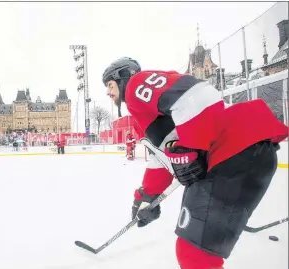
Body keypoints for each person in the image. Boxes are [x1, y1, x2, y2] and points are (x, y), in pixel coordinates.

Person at [102, 57, 288, 269]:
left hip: (233, 150)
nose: (108, 92)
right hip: (236, 154)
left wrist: (188, 149)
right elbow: (160, 157)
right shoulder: (142, 114)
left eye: (110, 85)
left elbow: (196, 95)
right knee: (192, 254)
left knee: (195, 256)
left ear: (124, 78)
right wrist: (146, 196)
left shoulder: (136, 84)